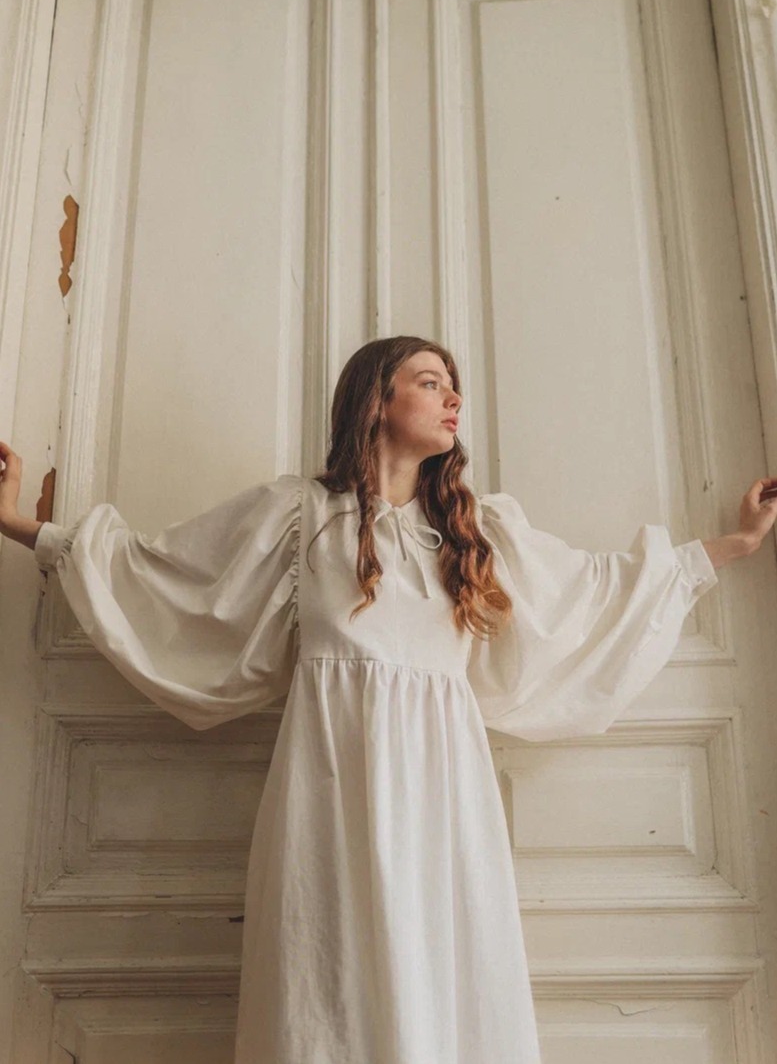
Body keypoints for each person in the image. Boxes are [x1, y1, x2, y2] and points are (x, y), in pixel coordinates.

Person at [2, 334, 776, 1064]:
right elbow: (163, 577)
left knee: (440, 974)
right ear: (376, 399)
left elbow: (593, 590)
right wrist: (20, 525)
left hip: (443, 797)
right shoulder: (299, 518)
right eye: (431, 382)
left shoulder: (474, 532)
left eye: (453, 386)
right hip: (330, 791)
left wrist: (731, 546)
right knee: (327, 981)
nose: (453, 399)